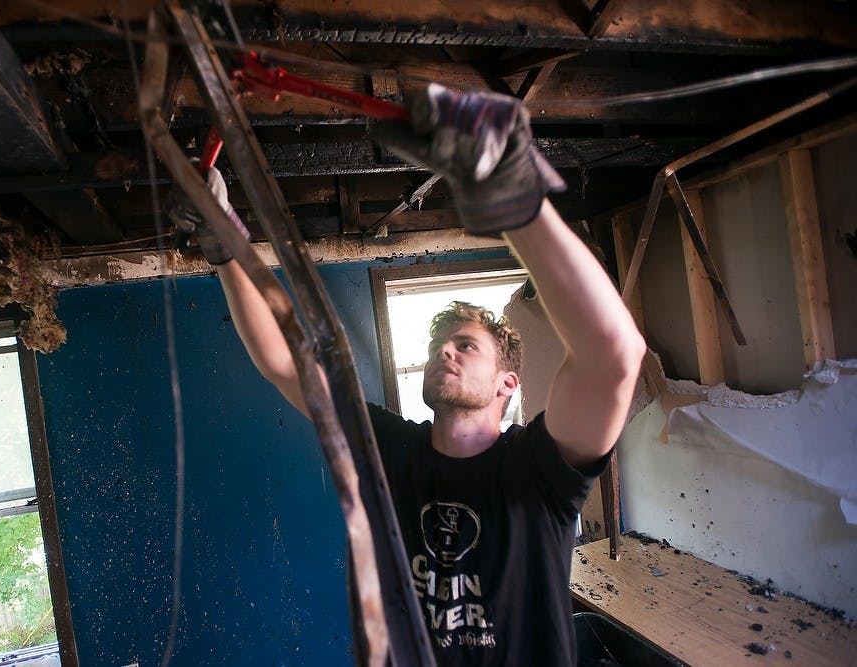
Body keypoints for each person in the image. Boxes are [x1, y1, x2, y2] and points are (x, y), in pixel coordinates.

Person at [169, 84, 646, 666]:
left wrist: (513, 195)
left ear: (508, 385)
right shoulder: (387, 449)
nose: (445, 352)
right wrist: (225, 248)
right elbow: (284, 363)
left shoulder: (538, 472)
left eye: (466, 346)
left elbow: (614, 356)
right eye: (438, 344)